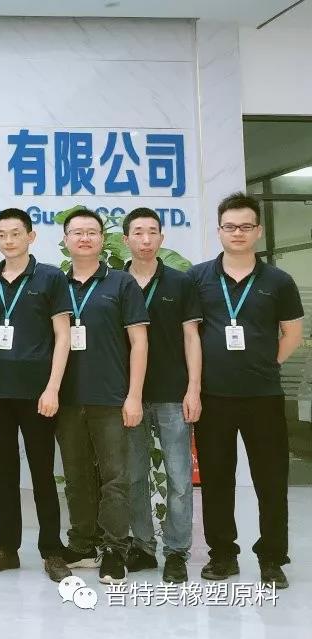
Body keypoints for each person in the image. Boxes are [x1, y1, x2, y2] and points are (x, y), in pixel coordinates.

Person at [188, 192, 304, 589]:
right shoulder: (198, 278)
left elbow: (292, 333)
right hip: (213, 397)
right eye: (230, 226)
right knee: (217, 480)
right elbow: (190, 335)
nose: (237, 233)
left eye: (245, 226)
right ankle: (222, 555)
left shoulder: (278, 281)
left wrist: (268, 364)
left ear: (258, 231)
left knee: (270, 480)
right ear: (219, 230)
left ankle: (272, 558)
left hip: (263, 397)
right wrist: (194, 387)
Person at [0, 208, 72, 583]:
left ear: (31, 236)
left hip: (38, 393)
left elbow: (63, 335)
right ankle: (7, 548)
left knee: (43, 472)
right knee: (4, 472)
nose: (9, 240)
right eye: (2, 234)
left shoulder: (50, 277)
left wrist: (53, 387)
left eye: (16, 233)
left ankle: (52, 551)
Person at [56, 208, 149, 586]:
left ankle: (115, 549)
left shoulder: (122, 283)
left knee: (114, 478)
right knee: (76, 477)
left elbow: (139, 342)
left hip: (111, 396)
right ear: (65, 240)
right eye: (76, 232)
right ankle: (82, 544)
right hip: (67, 398)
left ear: (102, 239)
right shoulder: (55, 284)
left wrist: (134, 395)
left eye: (91, 232)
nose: (84, 238)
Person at [122, 207, 202, 584]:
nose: (146, 239)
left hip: (173, 394)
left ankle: (176, 551)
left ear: (161, 238)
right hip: (128, 397)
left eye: (152, 232)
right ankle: (142, 546)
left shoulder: (180, 283)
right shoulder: (115, 282)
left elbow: (192, 337)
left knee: (179, 478)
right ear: (126, 239)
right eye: (138, 232)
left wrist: (194, 388)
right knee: (134, 476)